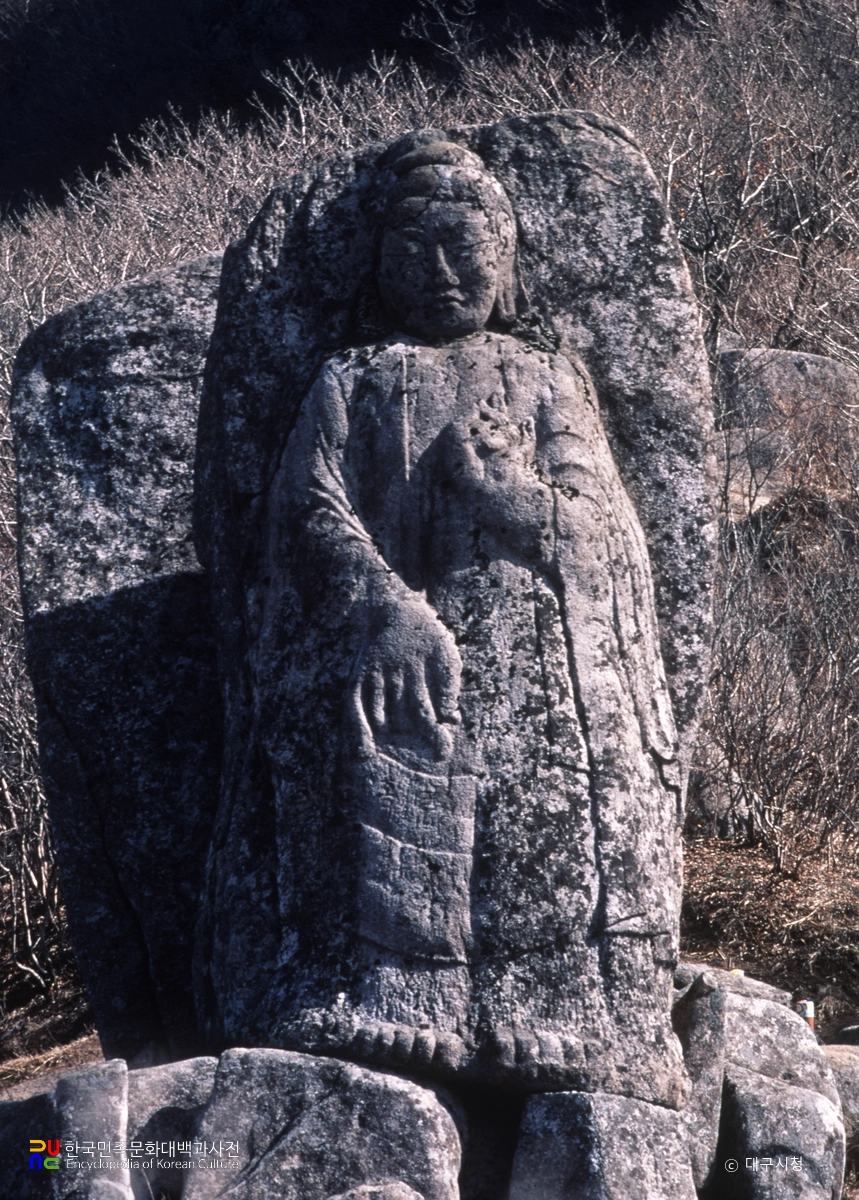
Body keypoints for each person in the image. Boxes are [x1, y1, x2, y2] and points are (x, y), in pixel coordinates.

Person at [239, 138, 685, 1101]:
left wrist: (504, 494)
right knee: (385, 778)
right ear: (378, 263)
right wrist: (385, 608)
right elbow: (308, 512)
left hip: (529, 648)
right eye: (413, 251)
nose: (440, 275)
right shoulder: (350, 380)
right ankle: (401, 995)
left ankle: (555, 1000)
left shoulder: (544, 378)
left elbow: (594, 532)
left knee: (543, 794)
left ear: (506, 255)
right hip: (394, 639)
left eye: (464, 249)